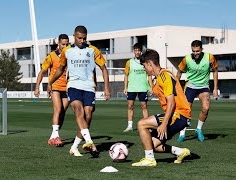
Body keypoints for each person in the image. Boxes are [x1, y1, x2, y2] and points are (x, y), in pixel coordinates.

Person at [47, 25, 111, 158]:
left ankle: (74, 146)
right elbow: (60, 69)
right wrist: (50, 82)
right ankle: (89, 142)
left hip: (89, 86)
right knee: (78, 110)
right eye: (79, 38)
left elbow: (104, 69)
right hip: (73, 85)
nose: (82, 40)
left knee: (88, 116)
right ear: (74, 36)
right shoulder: (67, 51)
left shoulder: (93, 50)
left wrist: (106, 88)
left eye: (84, 38)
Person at [132, 49, 191, 167]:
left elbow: (171, 102)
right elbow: (154, 88)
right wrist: (150, 75)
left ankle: (149, 160)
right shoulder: (159, 77)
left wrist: (164, 124)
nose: (144, 69)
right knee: (152, 145)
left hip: (179, 115)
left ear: (149, 63)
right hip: (178, 116)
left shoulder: (164, 76)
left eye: (144, 66)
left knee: (141, 124)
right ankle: (180, 152)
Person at [176, 40, 218, 142]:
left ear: (201, 49)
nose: (195, 53)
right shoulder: (186, 59)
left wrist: (215, 88)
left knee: (206, 108)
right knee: (186, 110)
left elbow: (215, 71)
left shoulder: (210, 58)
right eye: (193, 51)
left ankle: (198, 129)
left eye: (197, 51)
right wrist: (176, 88)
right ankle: (182, 133)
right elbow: (179, 72)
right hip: (190, 86)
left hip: (204, 86)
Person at [34, 33, 70, 147]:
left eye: (67, 44)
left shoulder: (70, 55)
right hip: (55, 87)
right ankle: (56, 136)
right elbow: (42, 72)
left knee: (63, 112)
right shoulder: (51, 56)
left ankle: (53, 136)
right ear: (58, 44)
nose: (65, 46)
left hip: (67, 87)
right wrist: (37, 87)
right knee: (58, 109)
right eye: (63, 44)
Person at [123, 43, 153, 132]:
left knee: (144, 106)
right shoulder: (129, 62)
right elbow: (126, 75)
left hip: (143, 87)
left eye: (138, 50)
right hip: (132, 87)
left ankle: (148, 126)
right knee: (130, 106)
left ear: (141, 51)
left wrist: (151, 87)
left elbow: (149, 75)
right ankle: (129, 126)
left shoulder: (146, 62)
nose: (137, 52)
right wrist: (125, 87)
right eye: (135, 50)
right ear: (133, 51)